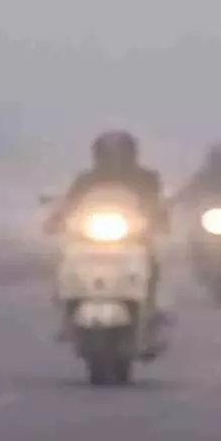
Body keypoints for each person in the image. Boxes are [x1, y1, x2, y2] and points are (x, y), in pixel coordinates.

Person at [45, 130, 169, 337]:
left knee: (150, 264)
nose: (114, 158)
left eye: (120, 153)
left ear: (131, 154)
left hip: (133, 238)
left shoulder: (146, 178)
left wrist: (160, 219)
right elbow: (70, 203)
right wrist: (55, 219)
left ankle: (149, 309)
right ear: (98, 155)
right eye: (108, 153)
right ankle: (68, 312)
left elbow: (156, 204)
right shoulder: (86, 179)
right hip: (89, 240)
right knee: (66, 263)